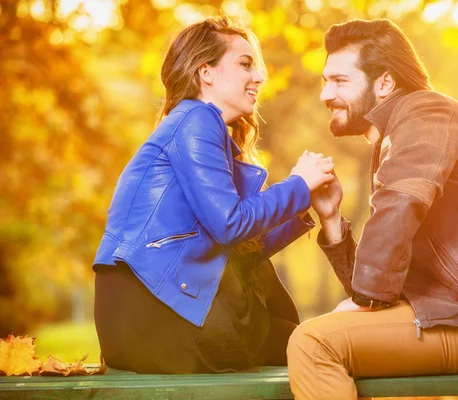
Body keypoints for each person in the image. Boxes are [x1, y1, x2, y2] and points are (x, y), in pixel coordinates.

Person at [286, 18, 458, 400]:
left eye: (339, 80)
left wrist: (363, 301)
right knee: (326, 336)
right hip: (457, 315)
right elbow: (379, 285)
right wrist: (332, 219)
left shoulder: (426, 111)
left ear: (384, 83)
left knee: (312, 342)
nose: (325, 93)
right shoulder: (401, 132)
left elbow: (400, 204)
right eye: (325, 80)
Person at [92, 16, 335, 374]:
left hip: (140, 319)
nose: (259, 77)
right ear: (206, 73)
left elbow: (235, 245)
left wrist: (303, 203)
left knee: (301, 343)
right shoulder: (197, 119)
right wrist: (298, 184)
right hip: (157, 309)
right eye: (244, 64)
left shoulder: (195, 128)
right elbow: (229, 225)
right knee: (316, 349)